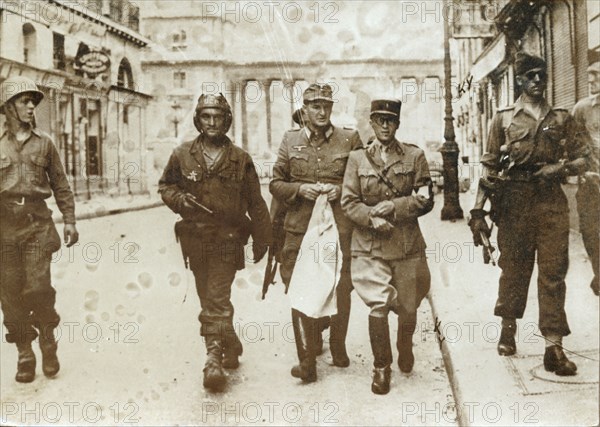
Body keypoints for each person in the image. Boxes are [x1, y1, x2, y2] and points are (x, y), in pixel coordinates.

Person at [468, 52, 591, 376]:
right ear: (519, 80)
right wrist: (478, 210)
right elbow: (490, 167)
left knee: (554, 271)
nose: (537, 81)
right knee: (514, 269)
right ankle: (508, 327)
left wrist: (558, 168)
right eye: (531, 76)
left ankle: (554, 346)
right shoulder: (504, 118)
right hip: (514, 201)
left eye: (542, 75)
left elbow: (583, 159)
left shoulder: (562, 118)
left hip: (551, 200)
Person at [159, 93, 271, 392]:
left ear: (226, 121)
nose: (211, 122)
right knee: (208, 297)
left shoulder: (240, 159)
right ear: (198, 120)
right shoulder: (182, 154)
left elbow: (255, 202)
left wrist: (263, 238)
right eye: (206, 117)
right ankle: (230, 342)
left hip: (227, 239)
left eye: (217, 117)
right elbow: (166, 186)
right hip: (195, 239)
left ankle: (213, 360)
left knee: (217, 297)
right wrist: (180, 198)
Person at [270, 83, 362, 382]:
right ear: (305, 109)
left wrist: (342, 190)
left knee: (340, 284)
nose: (322, 112)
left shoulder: (349, 139)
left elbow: (365, 179)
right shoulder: (290, 139)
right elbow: (276, 183)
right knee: (298, 287)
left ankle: (337, 343)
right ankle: (307, 359)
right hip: (299, 228)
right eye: (315, 106)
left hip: (339, 228)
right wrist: (300, 190)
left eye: (326, 106)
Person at [341, 99, 433, 394]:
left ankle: (404, 344)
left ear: (397, 124)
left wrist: (392, 207)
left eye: (390, 120)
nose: (384, 126)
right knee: (377, 305)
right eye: (379, 120)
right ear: (370, 122)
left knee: (408, 308)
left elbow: (425, 198)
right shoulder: (356, 159)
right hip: (369, 245)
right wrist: (370, 218)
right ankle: (381, 367)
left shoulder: (414, 156)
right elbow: (348, 202)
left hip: (405, 245)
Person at [0, 76, 79, 383]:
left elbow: (60, 184)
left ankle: (47, 339)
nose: (31, 106)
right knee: (9, 293)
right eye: (24, 101)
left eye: (33, 101)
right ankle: (24, 353)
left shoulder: (45, 143)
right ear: (8, 108)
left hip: (36, 224)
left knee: (38, 288)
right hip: (4, 225)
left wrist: (69, 219)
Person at [572, 51, 599, 296]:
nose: (591, 81)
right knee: (590, 233)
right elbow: (571, 144)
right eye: (589, 76)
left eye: (597, 76)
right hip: (592, 185)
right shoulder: (581, 109)